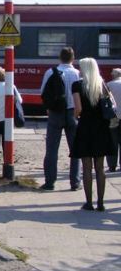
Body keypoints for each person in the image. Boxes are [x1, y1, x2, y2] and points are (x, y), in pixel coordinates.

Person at [71, 58, 115, 211]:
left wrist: (74, 117)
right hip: (101, 128)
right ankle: (101, 203)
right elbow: (110, 105)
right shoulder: (102, 85)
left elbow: (78, 109)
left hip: (85, 128)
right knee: (100, 168)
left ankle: (89, 202)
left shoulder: (77, 85)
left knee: (87, 167)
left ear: (84, 69)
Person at [40, 47, 82, 191]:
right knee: (76, 150)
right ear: (73, 58)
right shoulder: (78, 74)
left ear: (60, 58)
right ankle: (75, 182)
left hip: (55, 113)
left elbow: (43, 93)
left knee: (51, 150)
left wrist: (49, 108)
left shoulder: (50, 72)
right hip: (73, 113)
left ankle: (50, 182)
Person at [106, 68, 121, 172]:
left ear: (114, 74)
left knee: (112, 141)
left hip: (113, 116)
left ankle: (112, 165)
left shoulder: (109, 85)